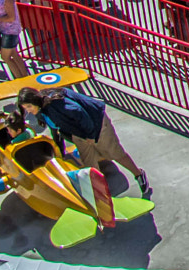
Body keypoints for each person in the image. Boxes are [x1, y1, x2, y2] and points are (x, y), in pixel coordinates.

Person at [17, 85, 153, 198]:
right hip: (78, 131)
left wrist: (90, 136)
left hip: (96, 125)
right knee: (90, 165)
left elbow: (79, 113)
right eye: (26, 109)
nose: (28, 111)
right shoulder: (43, 110)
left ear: (35, 100)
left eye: (29, 107)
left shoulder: (54, 104)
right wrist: (60, 150)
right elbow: (56, 128)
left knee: (114, 153)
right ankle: (101, 196)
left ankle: (139, 174)